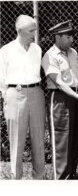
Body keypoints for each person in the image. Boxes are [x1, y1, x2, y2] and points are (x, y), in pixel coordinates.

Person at [42, 20, 78, 180]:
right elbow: (60, 83)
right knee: (62, 140)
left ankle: (72, 176)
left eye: (72, 36)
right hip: (61, 99)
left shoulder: (73, 53)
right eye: (68, 36)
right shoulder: (49, 56)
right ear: (57, 36)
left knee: (75, 138)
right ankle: (61, 179)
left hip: (77, 98)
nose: (72, 40)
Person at [0, 15, 45, 179]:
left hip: (36, 93)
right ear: (19, 31)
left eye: (35, 29)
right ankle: (15, 180)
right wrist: (8, 95)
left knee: (38, 139)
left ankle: (39, 179)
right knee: (16, 141)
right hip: (15, 95)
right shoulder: (6, 50)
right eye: (31, 30)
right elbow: (1, 78)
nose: (35, 33)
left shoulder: (37, 49)